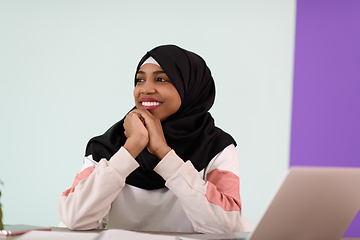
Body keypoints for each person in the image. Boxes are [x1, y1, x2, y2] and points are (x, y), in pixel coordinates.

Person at [57, 45, 250, 233]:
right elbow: (74, 217)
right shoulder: (107, 146)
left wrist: (163, 152)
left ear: (190, 88)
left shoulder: (215, 147)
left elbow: (227, 226)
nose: (146, 89)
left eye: (161, 79)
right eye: (140, 80)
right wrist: (131, 148)